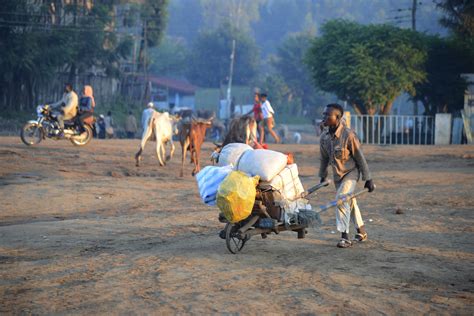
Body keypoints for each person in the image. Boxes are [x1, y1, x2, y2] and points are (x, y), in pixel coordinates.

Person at [319, 103, 375, 248]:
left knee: (341, 199)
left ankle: (344, 237)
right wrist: (322, 175)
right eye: (324, 114)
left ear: (337, 118)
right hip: (338, 176)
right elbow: (324, 159)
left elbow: (360, 157)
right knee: (350, 201)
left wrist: (368, 178)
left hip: (351, 173)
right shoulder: (324, 137)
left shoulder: (348, 135)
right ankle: (361, 231)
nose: (324, 117)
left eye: (327, 115)